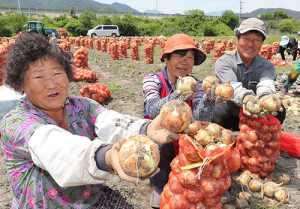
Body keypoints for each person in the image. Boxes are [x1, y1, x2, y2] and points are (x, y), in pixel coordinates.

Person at [0, 31, 185, 208]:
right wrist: (107, 157)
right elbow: (58, 149)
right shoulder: (16, 123)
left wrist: (146, 128)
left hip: (92, 200)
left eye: (57, 73)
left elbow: (110, 121)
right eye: (38, 76)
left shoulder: (80, 106)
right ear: (21, 84)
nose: (51, 83)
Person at [143, 33, 224, 208]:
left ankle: (190, 183)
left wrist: (208, 101)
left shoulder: (196, 84)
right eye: (179, 55)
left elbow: (201, 119)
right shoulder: (152, 80)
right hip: (159, 137)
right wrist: (177, 96)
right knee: (158, 143)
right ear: (166, 58)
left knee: (207, 138)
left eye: (189, 57)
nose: (184, 62)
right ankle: (160, 184)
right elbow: (153, 108)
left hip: (184, 142)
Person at [212, 18, 286, 131]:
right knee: (217, 111)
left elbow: (266, 85)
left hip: (257, 116)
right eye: (246, 38)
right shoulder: (224, 62)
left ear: (262, 43)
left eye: (256, 39)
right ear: (237, 40)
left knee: (280, 110)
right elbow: (232, 87)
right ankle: (222, 141)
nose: (251, 44)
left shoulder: (267, 66)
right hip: (230, 114)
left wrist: (265, 97)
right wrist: (247, 98)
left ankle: (263, 138)